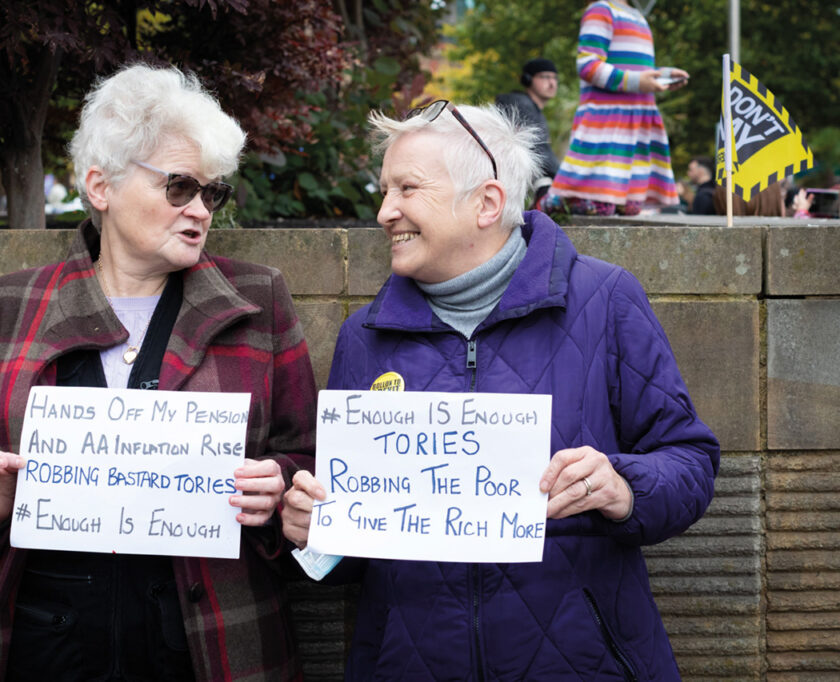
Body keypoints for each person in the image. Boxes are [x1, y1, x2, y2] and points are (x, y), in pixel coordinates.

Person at [282, 101, 719, 679]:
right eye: (384, 190)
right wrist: (316, 535)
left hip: (583, 665)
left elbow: (691, 462)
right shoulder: (363, 336)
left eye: (407, 189)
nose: (385, 211)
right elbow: (355, 546)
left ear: (487, 203)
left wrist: (624, 487)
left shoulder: (605, 298)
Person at [0, 64, 317, 681]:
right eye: (179, 187)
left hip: (212, 639)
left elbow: (307, 459)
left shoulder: (258, 300)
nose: (200, 210)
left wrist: (278, 490)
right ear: (100, 185)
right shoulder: (4, 307)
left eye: (211, 193)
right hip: (44, 641)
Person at [546, 0, 689, 216]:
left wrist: (662, 76)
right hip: (609, 120)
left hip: (636, 119)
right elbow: (588, 65)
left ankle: (564, 200)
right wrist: (637, 81)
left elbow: (636, 68)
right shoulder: (602, 10)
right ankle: (558, 200)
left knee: (630, 206)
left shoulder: (637, 16)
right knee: (598, 204)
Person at [495, 58, 560, 204]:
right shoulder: (519, 104)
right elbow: (538, 147)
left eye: (554, 78)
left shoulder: (532, 109)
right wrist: (563, 178)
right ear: (527, 79)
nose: (552, 83)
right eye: (545, 77)